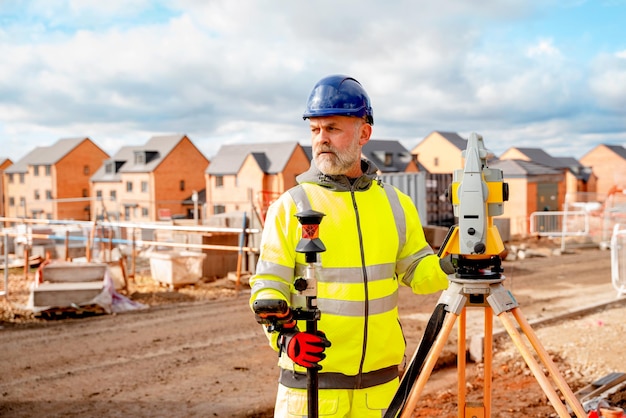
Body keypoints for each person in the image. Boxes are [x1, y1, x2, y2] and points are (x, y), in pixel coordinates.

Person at [249, 74, 453, 417]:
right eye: (315, 130)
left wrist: (454, 264)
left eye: (332, 128)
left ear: (364, 133)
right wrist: (285, 339)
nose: (321, 140)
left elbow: (420, 274)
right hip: (311, 391)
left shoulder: (395, 204)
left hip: (380, 391)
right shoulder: (290, 206)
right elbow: (268, 286)